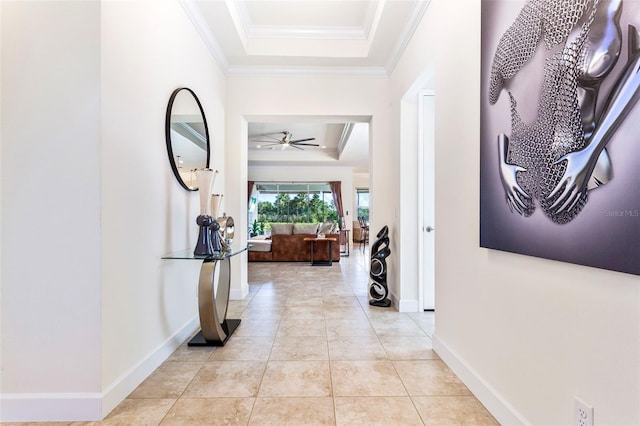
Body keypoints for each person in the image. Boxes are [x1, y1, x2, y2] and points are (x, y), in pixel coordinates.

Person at [490, 0, 640, 224]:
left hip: (586, 160)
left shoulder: (614, 9)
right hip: (529, 165)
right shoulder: (541, 13)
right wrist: (503, 163)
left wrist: (590, 153)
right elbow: (505, 97)